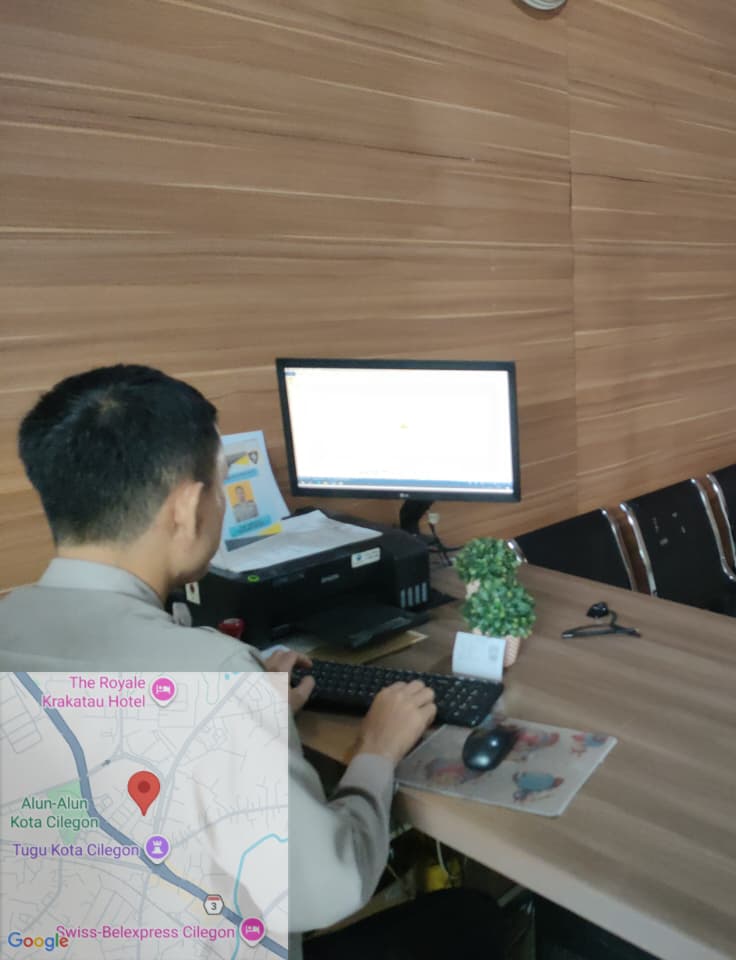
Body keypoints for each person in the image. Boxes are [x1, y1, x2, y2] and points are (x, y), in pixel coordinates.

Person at [0, 365, 503, 960]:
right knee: (472, 919)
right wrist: (376, 751)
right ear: (188, 506)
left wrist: (249, 719)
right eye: (220, 486)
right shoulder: (212, 676)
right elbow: (331, 887)